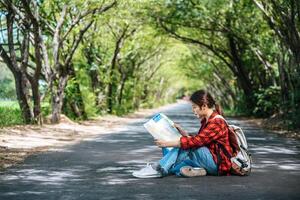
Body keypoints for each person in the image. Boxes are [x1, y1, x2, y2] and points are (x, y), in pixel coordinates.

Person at [132, 89, 233, 178]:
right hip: (209, 158)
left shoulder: (217, 122)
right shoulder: (206, 120)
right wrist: (183, 132)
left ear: (204, 106)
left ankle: (158, 169)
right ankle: (198, 170)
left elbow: (196, 142)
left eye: (194, 107)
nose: (193, 110)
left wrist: (167, 143)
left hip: (218, 165)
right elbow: (202, 140)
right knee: (177, 167)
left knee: (185, 145)